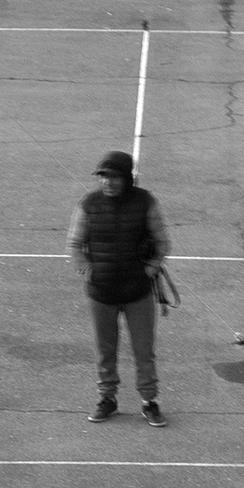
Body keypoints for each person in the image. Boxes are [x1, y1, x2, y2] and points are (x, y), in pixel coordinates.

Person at [67, 149, 169, 426]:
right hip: (101, 294)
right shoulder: (87, 205)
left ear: (126, 178)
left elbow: (162, 241)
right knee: (105, 351)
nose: (107, 182)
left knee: (143, 351)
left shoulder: (145, 202)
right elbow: (75, 244)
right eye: (102, 177)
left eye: (113, 177)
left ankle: (149, 402)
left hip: (138, 293)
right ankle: (107, 399)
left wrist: (152, 267)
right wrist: (86, 269)